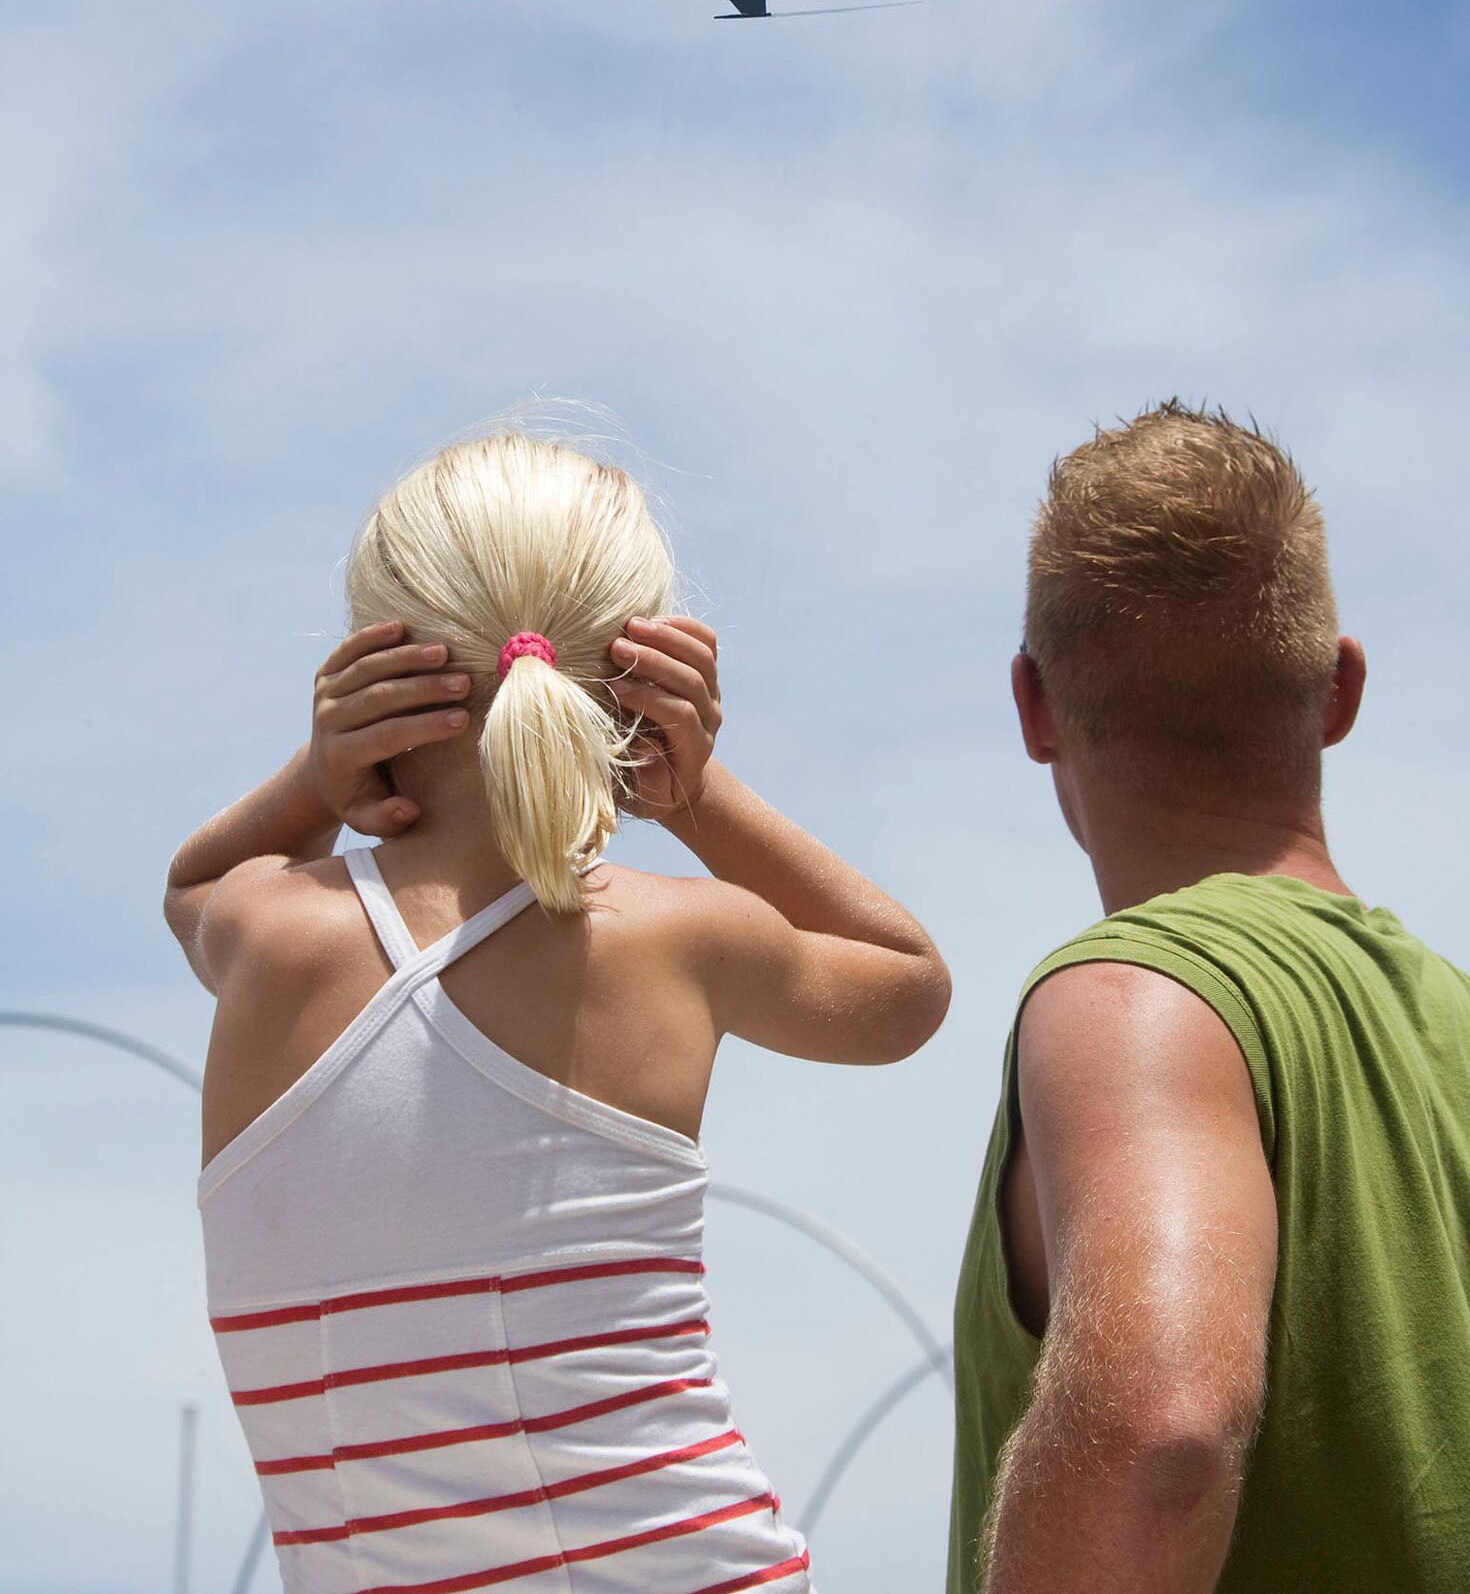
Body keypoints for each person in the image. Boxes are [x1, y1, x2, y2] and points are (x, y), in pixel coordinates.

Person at [166, 430, 949, 1594]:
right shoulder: (674, 935)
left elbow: (186, 889)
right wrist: (696, 796)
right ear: (632, 683)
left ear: (372, 664)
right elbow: (906, 982)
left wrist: (315, 780)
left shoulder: (265, 927)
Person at [948, 402, 1470, 1594]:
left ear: (1031, 705)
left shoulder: (1138, 1001)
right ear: (1339, 689)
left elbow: (1158, 1433)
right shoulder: (1455, 1020)